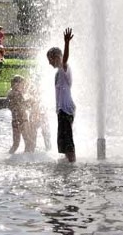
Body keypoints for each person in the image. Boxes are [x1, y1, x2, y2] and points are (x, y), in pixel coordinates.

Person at [47, 28, 76, 162]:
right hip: (62, 111)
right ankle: (68, 164)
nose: (49, 62)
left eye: (50, 59)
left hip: (66, 110)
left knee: (68, 142)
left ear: (56, 57)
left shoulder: (65, 69)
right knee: (63, 142)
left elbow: (64, 60)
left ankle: (72, 164)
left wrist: (66, 43)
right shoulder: (58, 73)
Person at [7, 75, 31, 153]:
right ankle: (26, 160)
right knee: (28, 143)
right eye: (22, 84)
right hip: (22, 120)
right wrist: (31, 101)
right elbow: (25, 105)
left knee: (15, 144)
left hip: (15, 121)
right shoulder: (17, 94)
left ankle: (8, 158)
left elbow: (11, 106)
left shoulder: (10, 93)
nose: (24, 85)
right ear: (16, 84)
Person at [27, 81, 51, 152]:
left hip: (42, 117)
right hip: (34, 117)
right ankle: (32, 150)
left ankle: (48, 148)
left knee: (46, 134)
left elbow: (45, 108)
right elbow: (27, 106)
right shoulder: (31, 98)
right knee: (33, 135)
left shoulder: (43, 98)